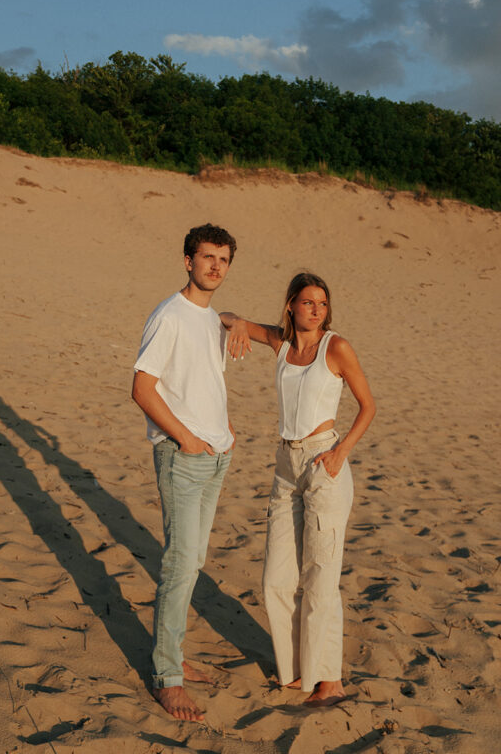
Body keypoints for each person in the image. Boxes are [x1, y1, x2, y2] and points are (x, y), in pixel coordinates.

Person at [221, 272, 375, 707]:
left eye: (322, 304)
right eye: (307, 303)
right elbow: (230, 317)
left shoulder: (336, 347)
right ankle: (296, 672)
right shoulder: (283, 343)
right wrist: (234, 325)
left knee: (321, 577)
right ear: (290, 305)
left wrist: (342, 451)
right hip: (285, 466)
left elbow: (369, 405)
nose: (315, 310)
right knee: (276, 579)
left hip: (324, 460)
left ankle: (330, 680)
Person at [132, 223, 237, 722]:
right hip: (183, 457)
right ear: (187, 261)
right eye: (207, 257)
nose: (215, 266)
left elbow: (205, 385)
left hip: (215, 457)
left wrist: (219, 435)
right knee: (178, 565)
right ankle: (166, 677)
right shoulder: (169, 315)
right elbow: (143, 388)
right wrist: (185, 438)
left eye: (223, 259)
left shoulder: (213, 318)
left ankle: (172, 655)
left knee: (192, 562)